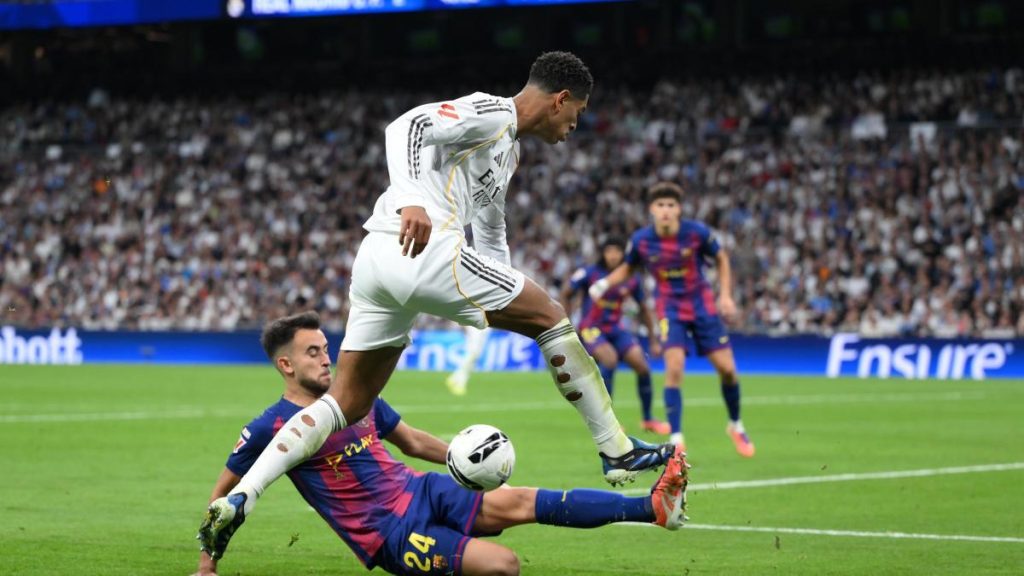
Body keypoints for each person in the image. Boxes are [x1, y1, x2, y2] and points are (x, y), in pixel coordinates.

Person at [199, 52, 677, 548]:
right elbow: (405, 127)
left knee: (347, 403)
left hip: (379, 262)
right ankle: (616, 449)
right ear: (560, 100)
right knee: (552, 318)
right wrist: (411, 198)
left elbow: (490, 232)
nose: (576, 124)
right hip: (422, 246)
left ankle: (243, 496)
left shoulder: (508, 152)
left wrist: (504, 285)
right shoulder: (492, 111)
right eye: (578, 111)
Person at [195, 312, 689, 576]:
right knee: (503, 566)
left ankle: (652, 508)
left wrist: (459, 456)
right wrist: (206, 567)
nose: (327, 358)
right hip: (389, 534)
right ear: (286, 365)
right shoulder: (271, 428)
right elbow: (224, 495)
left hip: (424, 490)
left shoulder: (355, 397)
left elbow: (410, 441)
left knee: (522, 500)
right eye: (312, 353)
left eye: (327, 348)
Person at [588, 182, 755, 457]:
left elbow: (722, 258)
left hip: (702, 305)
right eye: (660, 205)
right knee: (674, 368)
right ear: (651, 209)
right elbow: (628, 267)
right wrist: (604, 283)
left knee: (727, 370)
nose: (665, 210)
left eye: (671, 205)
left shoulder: (697, 233)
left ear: (679, 209)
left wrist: (725, 295)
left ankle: (735, 425)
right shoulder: (642, 240)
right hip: (669, 308)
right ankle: (677, 437)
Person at [561, 237, 670, 435]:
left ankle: (648, 419)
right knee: (609, 360)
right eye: (609, 251)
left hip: (615, 328)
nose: (613, 256)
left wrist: (653, 340)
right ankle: (608, 421)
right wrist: (565, 325)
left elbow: (644, 309)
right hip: (591, 327)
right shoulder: (590, 272)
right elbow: (567, 292)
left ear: (623, 254)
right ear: (603, 254)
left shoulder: (631, 277)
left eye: (617, 251)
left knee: (642, 366)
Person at [445, 326, 492, 396]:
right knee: (473, 353)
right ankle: (460, 382)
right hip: (476, 325)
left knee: (475, 354)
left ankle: (455, 377)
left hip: (485, 326)